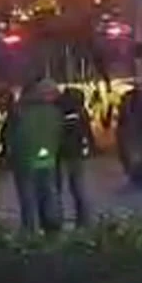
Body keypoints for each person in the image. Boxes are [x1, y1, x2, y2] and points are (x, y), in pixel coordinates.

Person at [3, 79, 65, 234]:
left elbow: (9, 134)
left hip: (24, 160)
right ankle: (52, 227)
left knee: (28, 197)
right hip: (48, 158)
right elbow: (59, 133)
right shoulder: (54, 112)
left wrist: (9, 153)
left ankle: (31, 229)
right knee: (49, 193)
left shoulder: (19, 111)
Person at [54, 85, 94, 228]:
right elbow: (87, 132)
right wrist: (91, 147)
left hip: (58, 152)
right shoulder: (81, 112)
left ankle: (55, 219)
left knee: (56, 188)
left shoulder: (58, 110)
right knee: (78, 187)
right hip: (75, 152)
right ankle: (83, 220)